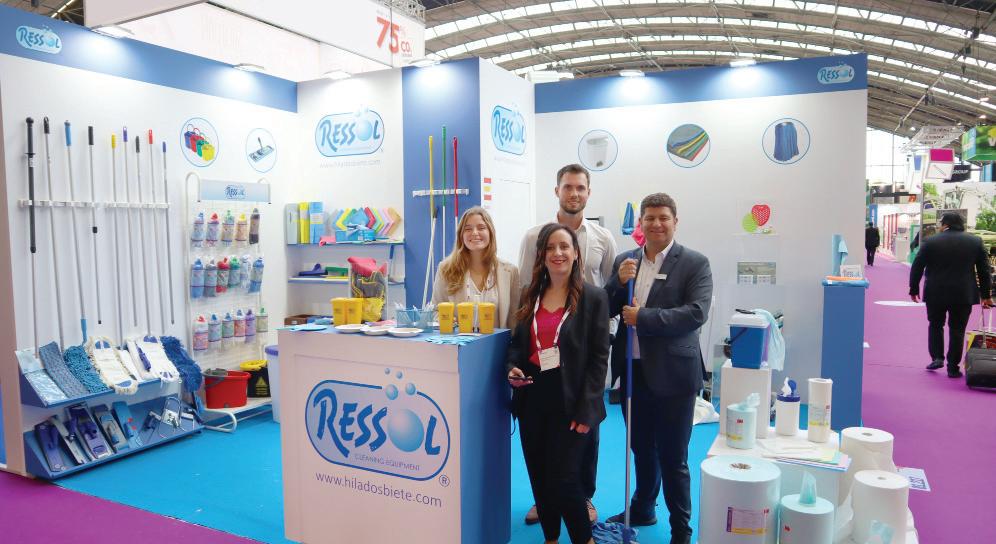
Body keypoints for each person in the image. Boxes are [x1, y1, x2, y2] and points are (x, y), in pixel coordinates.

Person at [604, 193, 713, 544]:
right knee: (641, 448)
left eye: (663, 217)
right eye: (649, 218)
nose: (656, 224)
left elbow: (696, 313)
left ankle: (681, 530)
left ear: (675, 222)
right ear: (641, 224)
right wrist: (618, 283)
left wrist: (645, 318)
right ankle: (643, 507)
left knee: (673, 457)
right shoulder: (626, 261)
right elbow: (606, 307)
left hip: (674, 377)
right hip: (633, 373)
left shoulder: (694, 263)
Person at [518, 163, 617, 524]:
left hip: (584, 344)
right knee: (542, 431)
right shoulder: (534, 236)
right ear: (556, 191)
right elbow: (526, 287)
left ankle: (583, 497)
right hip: (545, 339)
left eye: (580, 187)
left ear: (588, 193)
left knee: (584, 428)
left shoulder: (603, 238)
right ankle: (544, 499)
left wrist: (603, 332)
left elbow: (607, 288)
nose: (574, 193)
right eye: (567, 187)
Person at [507, 223, 610, 544]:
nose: (557, 253)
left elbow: (599, 358)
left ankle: (584, 540)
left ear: (576, 253)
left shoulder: (594, 298)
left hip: (573, 399)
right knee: (539, 475)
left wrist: (588, 408)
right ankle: (550, 538)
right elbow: (517, 345)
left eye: (564, 246)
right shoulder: (530, 295)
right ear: (541, 255)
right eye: (550, 247)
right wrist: (512, 368)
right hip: (533, 395)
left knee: (565, 479)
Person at [910, 212, 993, 378]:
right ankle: (953, 367)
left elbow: (917, 265)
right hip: (963, 294)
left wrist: (914, 289)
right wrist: (986, 295)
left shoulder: (931, 241)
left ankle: (937, 358)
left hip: (935, 292)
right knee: (957, 330)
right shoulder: (975, 242)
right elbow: (984, 271)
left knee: (935, 324)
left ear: (945, 224)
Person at [432, 207, 520, 328]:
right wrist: (444, 320)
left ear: (490, 232)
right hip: (459, 340)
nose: (474, 233)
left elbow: (515, 318)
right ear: (461, 235)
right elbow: (435, 310)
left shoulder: (510, 272)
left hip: (498, 340)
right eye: (468, 229)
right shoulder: (446, 269)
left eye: (481, 228)